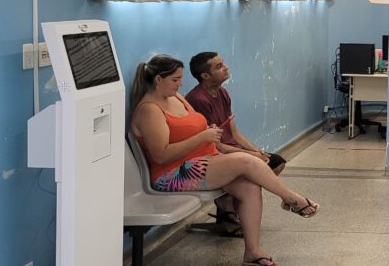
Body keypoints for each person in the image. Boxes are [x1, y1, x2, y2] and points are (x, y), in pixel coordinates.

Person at [129, 55, 320, 266]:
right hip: (174, 173)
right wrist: (202, 137)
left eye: (180, 78)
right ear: (158, 80)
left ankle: (252, 252)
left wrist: (207, 131)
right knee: (246, 162)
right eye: (175, 79)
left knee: (249, 187)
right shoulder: (149, 110)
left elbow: (193, 127)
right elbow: (161, 155)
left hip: (202, 159)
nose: (180, 84)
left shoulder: (176, 98)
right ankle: (291, 199)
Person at [186, 52, 287, 237]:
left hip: (231, 150)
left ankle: (230, 211)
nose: (226, 68)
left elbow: (235, 134)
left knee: (276, 162)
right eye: (218, 66)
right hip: (215, 153)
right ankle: (228, 212)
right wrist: (253, 157)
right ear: (205, 75)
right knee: (255, 169)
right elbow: (217, 146)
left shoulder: (223, 93)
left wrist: (257, 151)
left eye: (222, 63)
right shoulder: (198, 100)